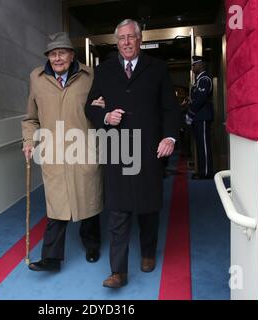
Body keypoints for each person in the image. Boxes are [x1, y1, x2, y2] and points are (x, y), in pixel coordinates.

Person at [85, 19, 180, 288]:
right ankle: (118, 272)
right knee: (118, 210)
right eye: (121, 39)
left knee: (149, 207)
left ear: (140, 39)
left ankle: (148, 252)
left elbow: (170, 109)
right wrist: (105, 116)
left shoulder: (158, 68)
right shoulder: (103, 71)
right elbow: (89, 108)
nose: (126, 42)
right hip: (117, 150)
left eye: (131, 37)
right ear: (117, 43)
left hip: (149, 149)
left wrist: (170, 136)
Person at [21, 32, 102, 272]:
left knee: (89, 201)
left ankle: (92, 245)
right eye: (53, 54)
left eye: (62, 53)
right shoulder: (37, 79)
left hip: (83, 149)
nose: (57, 58)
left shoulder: (90, 76)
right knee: (56, 206)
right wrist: (28, 140)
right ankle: (52, 258)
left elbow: (102, 105)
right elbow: (30, 118)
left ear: (71, 55)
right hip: (53, 152)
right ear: (48, 57)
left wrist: (103, 107)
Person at [182, 56, 214, 179]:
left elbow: (200, 99)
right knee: (200, 145)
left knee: (204, 145)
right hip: (199, 117)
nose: (193, 67)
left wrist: (190, 114)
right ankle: (202, 171)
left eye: (194, 65)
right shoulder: (198, 80)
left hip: (203, 116)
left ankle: (206, 172)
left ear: (201, 65)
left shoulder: (204, 79)